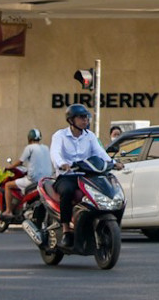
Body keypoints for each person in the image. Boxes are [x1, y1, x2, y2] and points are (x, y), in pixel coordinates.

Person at [48, 103, 117, 240]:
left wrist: (113, 163)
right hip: (67, 177)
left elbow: (100, 153)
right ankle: (66, 229)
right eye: (81, 118)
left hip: (87, 177)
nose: (85, 120)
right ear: (71, 120)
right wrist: (62, 164)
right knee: (67, 191)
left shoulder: (90, 136)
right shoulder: (60, 136)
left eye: (86, 117)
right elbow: (55, 153)